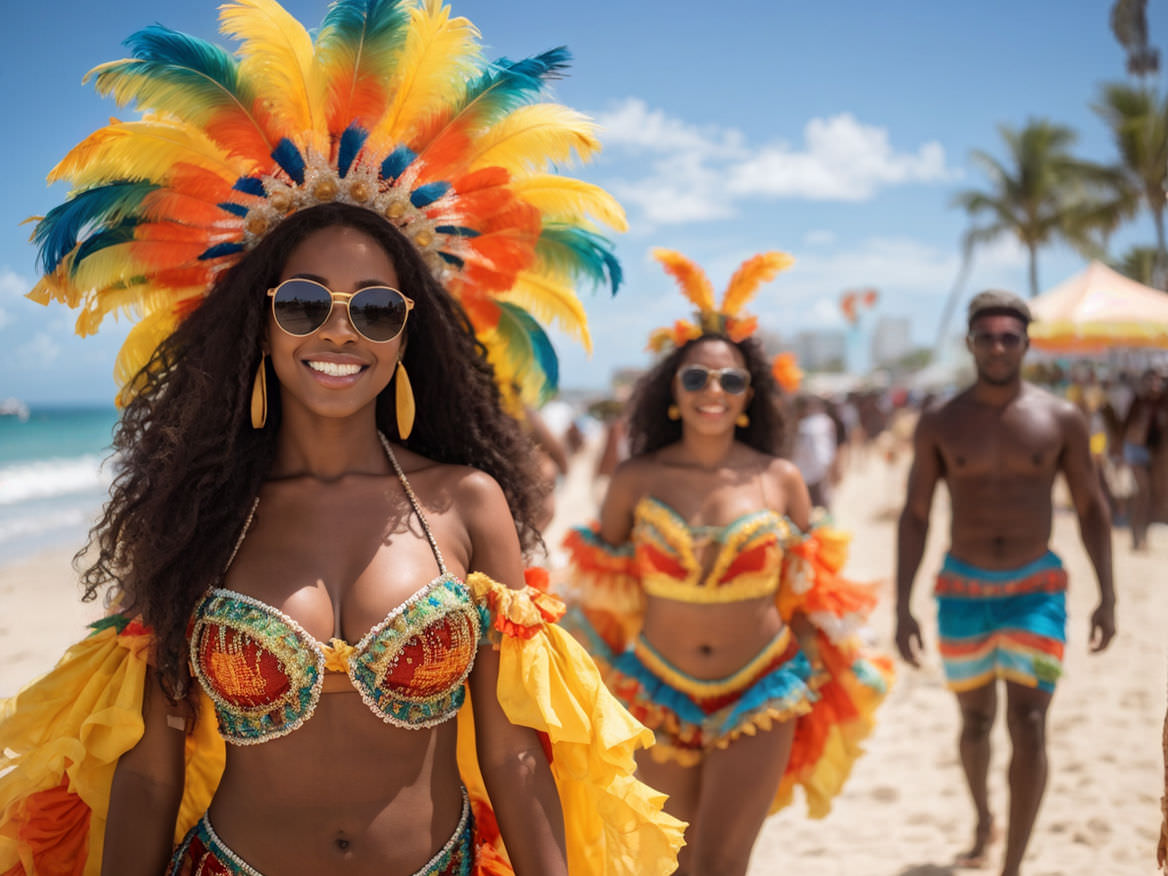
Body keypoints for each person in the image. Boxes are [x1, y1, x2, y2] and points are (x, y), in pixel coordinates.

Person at [0, 3, 683, 874]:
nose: (338, 332)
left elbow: (515, 753)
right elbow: (148, 772)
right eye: (302, 304)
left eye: (373, 309)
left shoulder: (467, 504)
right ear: (260, 325)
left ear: (407, 337)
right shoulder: (195, 516)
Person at [562, 248, 892, 876]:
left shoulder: (781, 478)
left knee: (722, 864)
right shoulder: (636, 478)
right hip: (656, 689)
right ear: (671, 392)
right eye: (696, 378)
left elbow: (812, 586)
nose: (713, 390)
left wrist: (821, 657)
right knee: (669, 861)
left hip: (760, 688)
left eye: (730, 380)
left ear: (749, 397)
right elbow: (603, 590)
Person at [895, 290, 1116, 876]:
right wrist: (901, 606)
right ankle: (983, 820)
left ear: (1025, 343)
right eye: (986, 336)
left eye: (1009, 337)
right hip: (961, 593)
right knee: (973, 722)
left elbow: (1092, 508)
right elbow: (915, 514)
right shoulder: (942, 421)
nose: (997, 346)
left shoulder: (1060, 418)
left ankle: (1011, 865)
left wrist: (1108, 597)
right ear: (970, 343)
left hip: (1038, 593)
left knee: (1031, 722)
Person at [1121, 368, 1167, 550]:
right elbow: (1125, 426)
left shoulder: (1164, 401)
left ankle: (1143, 536)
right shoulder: (1139, 401)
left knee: (1151, 497)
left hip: (1156, 453)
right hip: (1136, 449)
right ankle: (1136, 535)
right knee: (1142, 492)